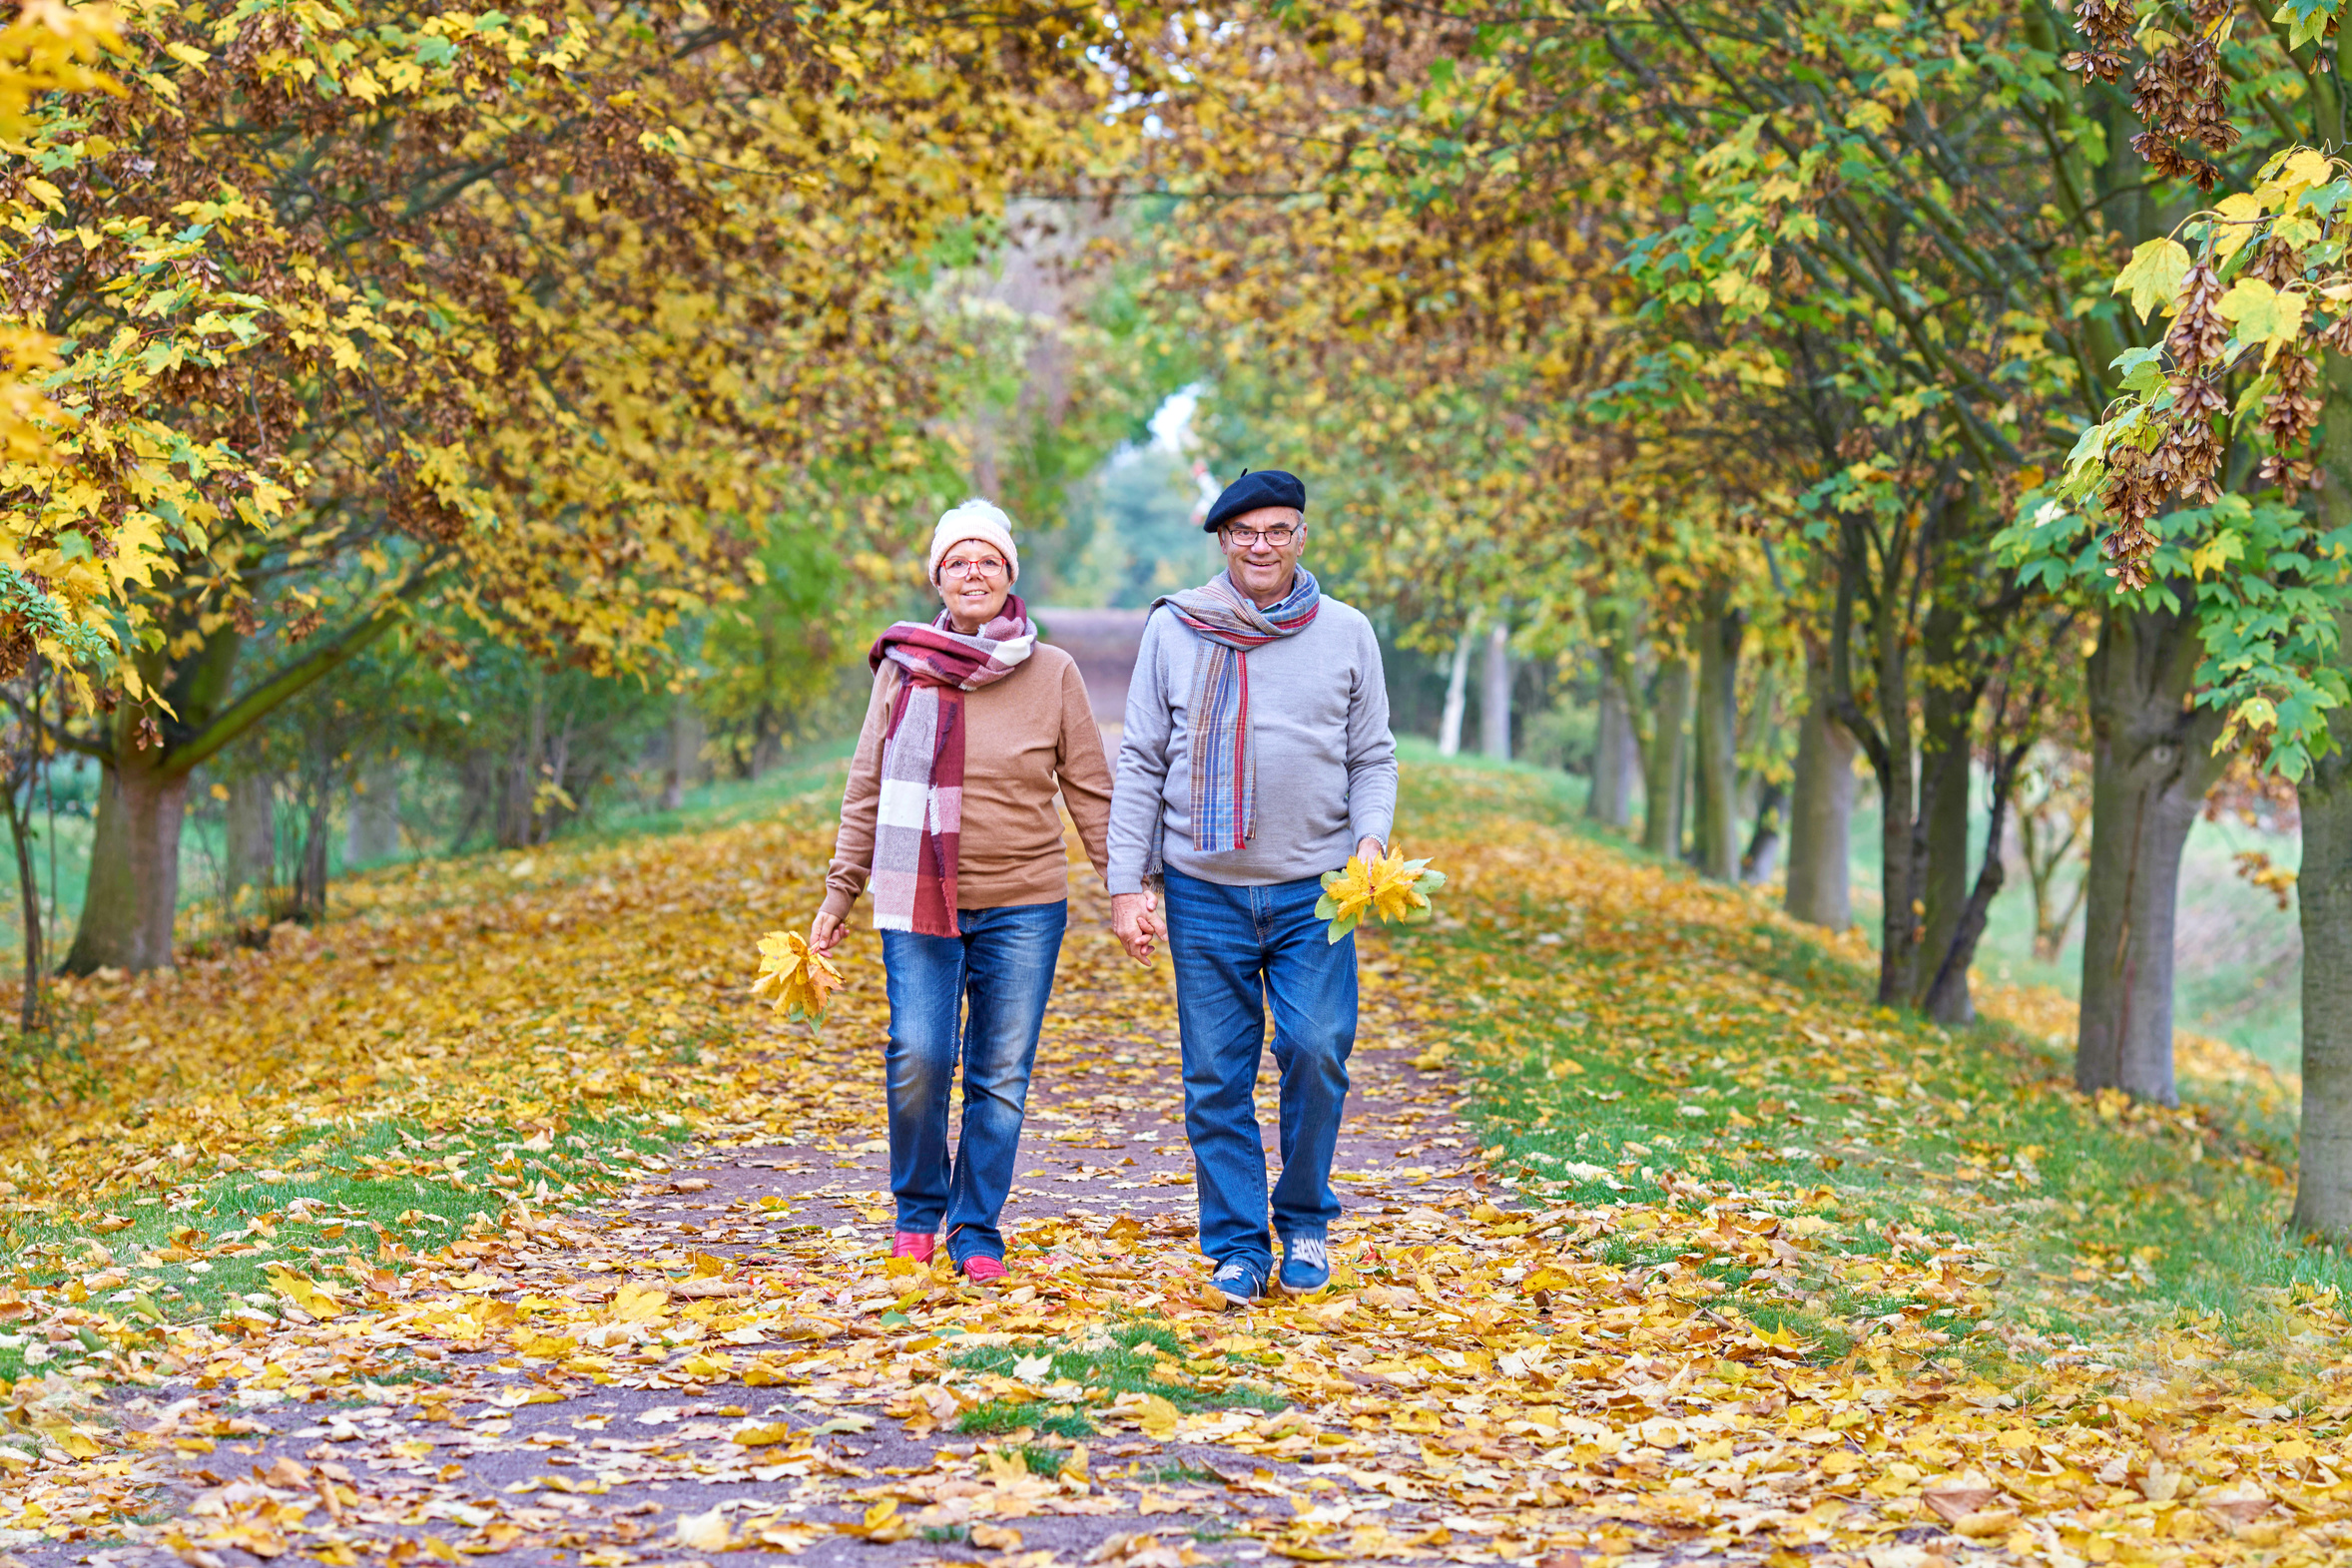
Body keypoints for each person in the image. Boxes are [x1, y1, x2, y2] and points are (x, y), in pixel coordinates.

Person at [1105, 469, 1397, 1306]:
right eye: (1245, 533)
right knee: (1215, 1075)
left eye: (1278, 531)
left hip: (1315, 889)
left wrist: (1370, 838)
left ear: (1301, 536)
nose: (1261, 546)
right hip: (1204, 889)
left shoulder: (1346, 632)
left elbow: (1373, 755)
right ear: (1222, 541)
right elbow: (1141, 760)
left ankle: (1303, 1216)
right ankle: (1236, 1242)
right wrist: (1130, 883)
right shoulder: (1176, 629)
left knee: (1316, 1048)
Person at [814, 500, 1113, 1286]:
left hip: (1024, 898)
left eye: (987, 560)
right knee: (921, 1052)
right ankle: (918, 1211)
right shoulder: (902, 667)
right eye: (957, 561)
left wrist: (1127, 887)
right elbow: (866, 786)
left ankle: (975, 1226)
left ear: (1010, 574)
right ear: (938, 579)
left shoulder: (1053, 673)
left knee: (1000, 1073)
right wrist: (839, 892)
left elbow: (1089, 789)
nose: (972, 572)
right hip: (917, 895)